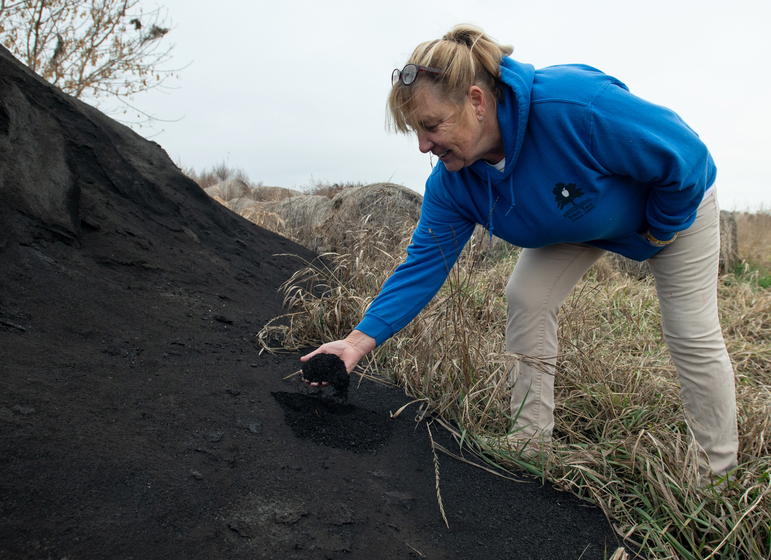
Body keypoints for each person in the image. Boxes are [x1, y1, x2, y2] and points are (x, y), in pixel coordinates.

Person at [301, 24, 738, 475]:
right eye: (415, 131)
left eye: (431, 126)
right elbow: (422, 265)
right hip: (577, 220)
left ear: (476, 101)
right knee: (527, 296)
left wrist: (658, 230)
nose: (423, 145)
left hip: (675, 212)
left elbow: (689, 158)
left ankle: (715, 476)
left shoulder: (575, 107)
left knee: (690, 330)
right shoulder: (455, 182)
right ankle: (529, 441)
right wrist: (355, 344)